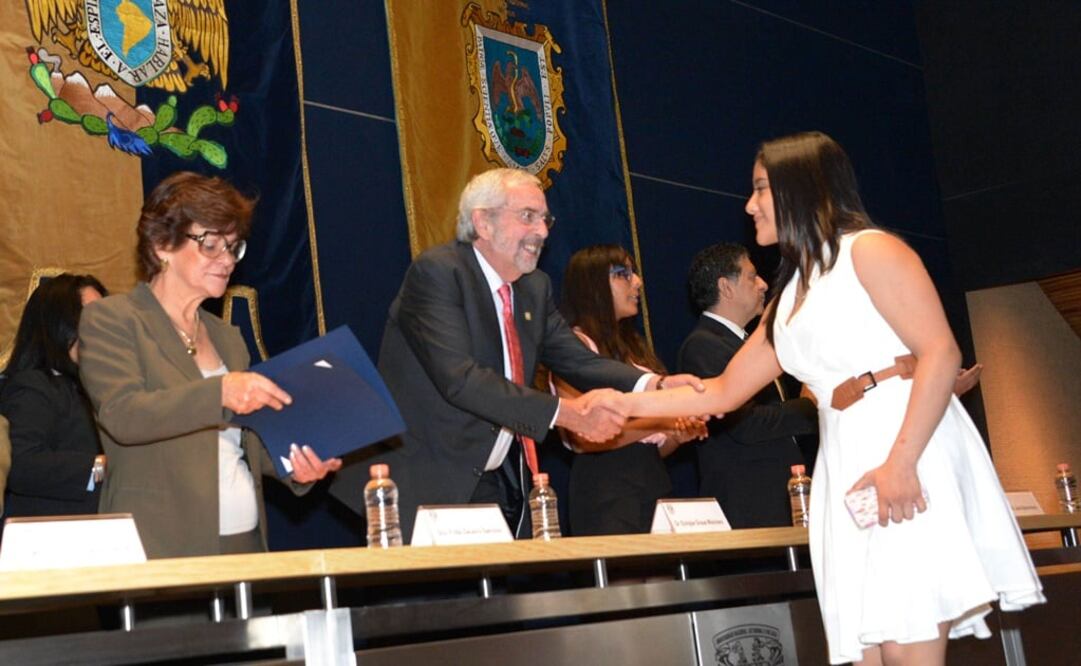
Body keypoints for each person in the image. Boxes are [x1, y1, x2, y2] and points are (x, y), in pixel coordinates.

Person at [607, 132, 1043, 665]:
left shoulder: (871, 250)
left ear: (800, 188)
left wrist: (901, 463)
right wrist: (619, 404)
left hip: (902, 445)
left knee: (909, 646)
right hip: (845, 460)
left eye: (761, 189)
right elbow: (721, 392)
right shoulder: (791, 293)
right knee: (870, 649)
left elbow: (941, 352)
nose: (749, 206)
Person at [329, 168, 702, 541]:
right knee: (437, 600)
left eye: (545, 219)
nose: (542, 231)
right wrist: (568, 414)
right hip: (422, 481)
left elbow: (579, 361)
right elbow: (461, 380)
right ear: (483, 222)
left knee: (503, 597)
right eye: (527, 216)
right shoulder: (439, 272)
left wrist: (658, 385)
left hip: (493, 481)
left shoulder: (533, 288)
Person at [78, 172, 341, 559]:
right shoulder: (113, 319)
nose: (227, 260)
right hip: (161, 547)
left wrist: (296, 465)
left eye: (233, 247)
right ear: (161, 245)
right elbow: (123, 414)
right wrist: (221, 392)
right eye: (210, 244)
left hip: (244, 544)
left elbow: (248, 440)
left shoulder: (227, 337)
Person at [553, 245, 705, 536]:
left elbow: (651, 449)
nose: (637, 282)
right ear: (592, 283)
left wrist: (678, 434)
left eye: (634, 273)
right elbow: (582, 438)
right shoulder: (575, 346)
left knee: (666, 582)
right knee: (625, 582)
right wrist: (663, 420)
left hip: (654, 482)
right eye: (623, 274)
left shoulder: (634, 348)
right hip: (606, 491)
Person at [678, 244, 817, 528]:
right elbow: (745, 424)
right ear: (726, 288)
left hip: (776, 501)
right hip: (750, 508)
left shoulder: (745, 344)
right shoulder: (703, 345)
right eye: (753, 276)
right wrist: (808, 406)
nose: (764, 284)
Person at [1, 274, 107, 526]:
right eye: (93, 318)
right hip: (47, 542)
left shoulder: (99, 388)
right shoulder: (34, 385)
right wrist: (102, 467)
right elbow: (21, 463)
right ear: (58, 324)